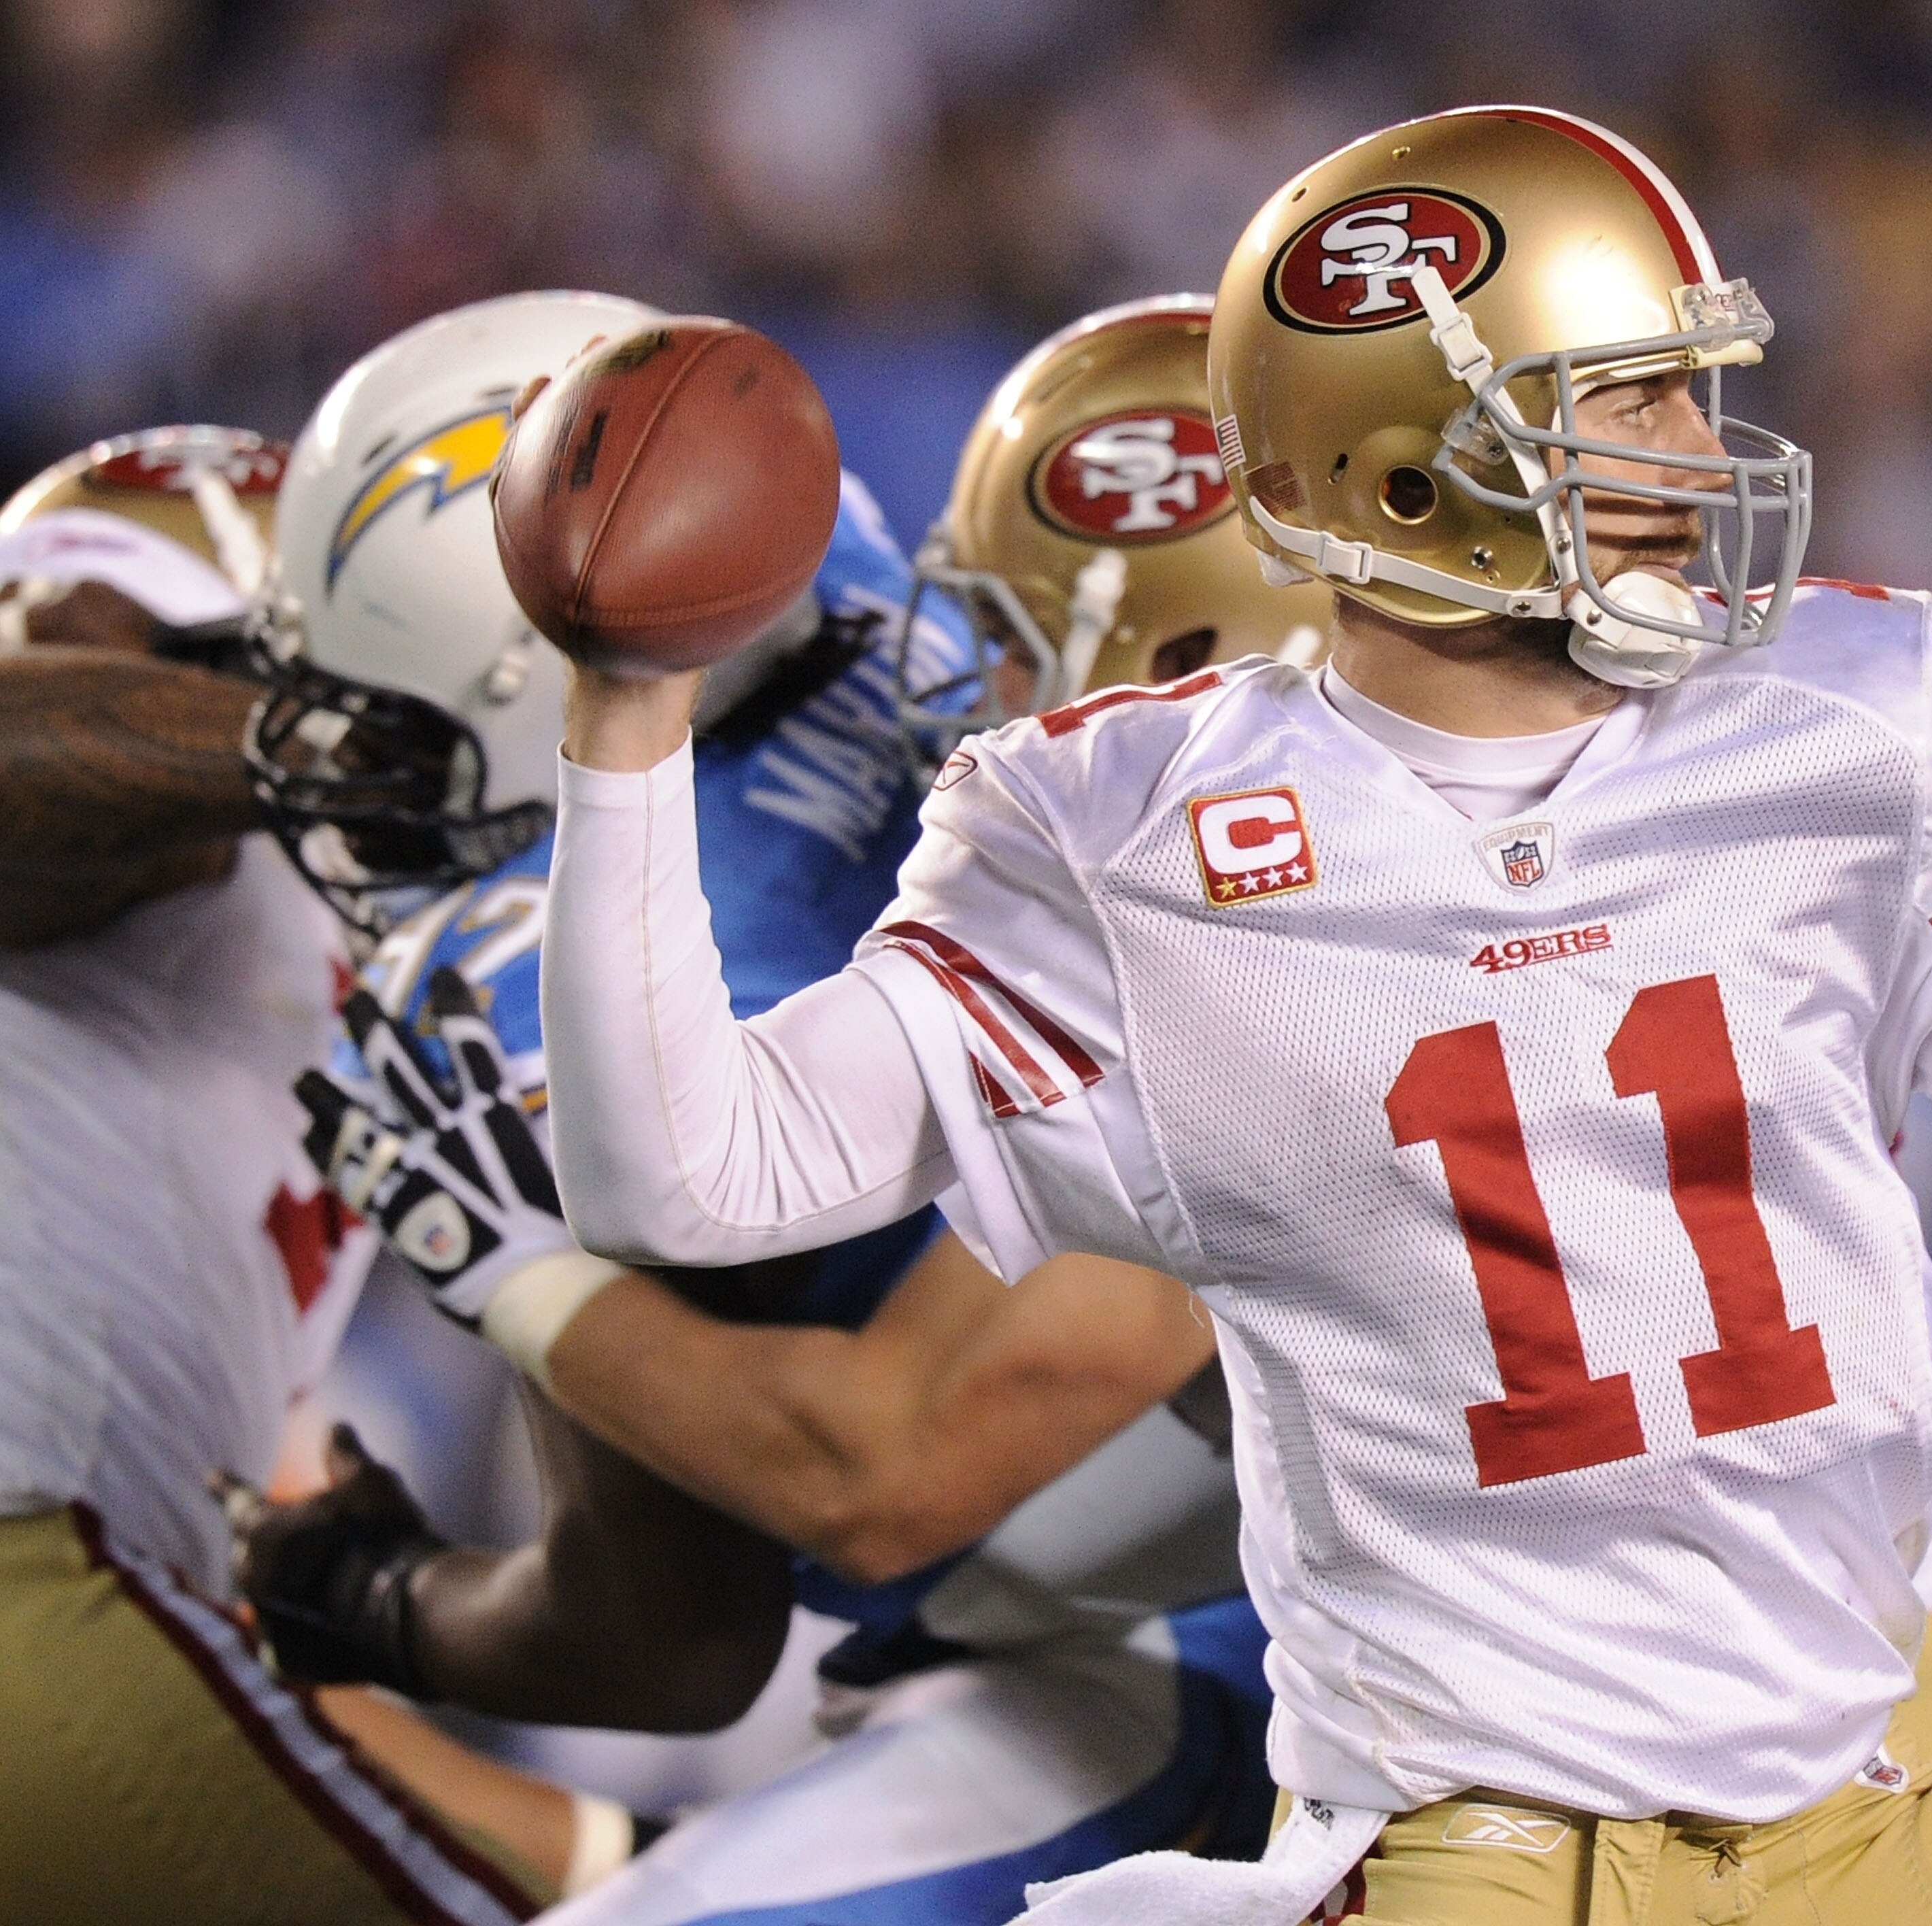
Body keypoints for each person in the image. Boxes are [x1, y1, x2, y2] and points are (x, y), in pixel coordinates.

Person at [528, 107, 1932, 1925]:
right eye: (1627, 401)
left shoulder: (1855, 712)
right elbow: (691, 1174)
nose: (1696, 452)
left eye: (1688, 391)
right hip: (1478, 1841)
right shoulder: (1116, 832)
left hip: (1900, 1775)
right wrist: (626, 720)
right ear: (1403, 468)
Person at [263, 297, 1317, 1926]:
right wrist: (384, 1599)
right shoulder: (919, 642)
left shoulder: (1243, 900)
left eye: (395, 731)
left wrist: (510, 1273)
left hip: (1287, 1649)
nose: (970, 678)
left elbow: (857, 1492)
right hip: (1190, 1634)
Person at [0, 424, 543, 1924]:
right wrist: (336, 742)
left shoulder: (366, 959)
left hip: (113, 1598)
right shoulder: (174, 841)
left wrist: (615, 1861)